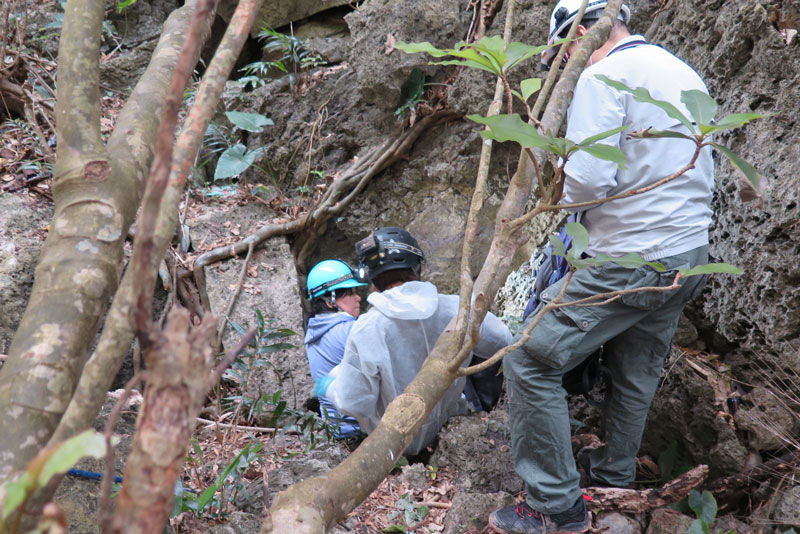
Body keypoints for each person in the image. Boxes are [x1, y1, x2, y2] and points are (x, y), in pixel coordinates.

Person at [489, 2, 715, 533]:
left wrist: (560, 189)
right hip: (691, 252)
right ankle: (615, 474)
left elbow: (590, 182)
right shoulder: (680, 69)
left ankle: (553, 508)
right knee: (636, 369)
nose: (568, 61)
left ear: (581, 36)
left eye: (565, 51)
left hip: (629, 255)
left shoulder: (601, 75)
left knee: (529, 358)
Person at [322, 227, 511, 455]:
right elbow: (502, 341)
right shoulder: (456, 309)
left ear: (373, 280)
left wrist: (330, 386)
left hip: (394, 447)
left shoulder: (367, 328)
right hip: (450, 432)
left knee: (337, 374)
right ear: (416, 268)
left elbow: (354, 403)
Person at [303, 259, 367, 438]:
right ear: (330, 301)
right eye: (350, 293)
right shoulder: (351, 330)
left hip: (336, 430)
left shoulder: (313, 334)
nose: (358, 298)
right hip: (363, 431)